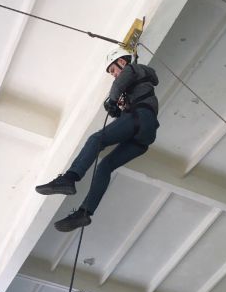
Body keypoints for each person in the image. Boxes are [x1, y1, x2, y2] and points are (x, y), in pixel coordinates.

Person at [35, 47, 160, 232]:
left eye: (113, 70)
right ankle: (85, 212)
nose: (114, 74)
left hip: (140, 117)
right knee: (105, 167)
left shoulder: (132, 68)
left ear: (122, 62)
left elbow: (122, 80)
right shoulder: (139, 85)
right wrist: (119, 110)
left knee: (96, 139)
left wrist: (112, 101)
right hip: (143, 136)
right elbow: (125, 114)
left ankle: (70, 178)